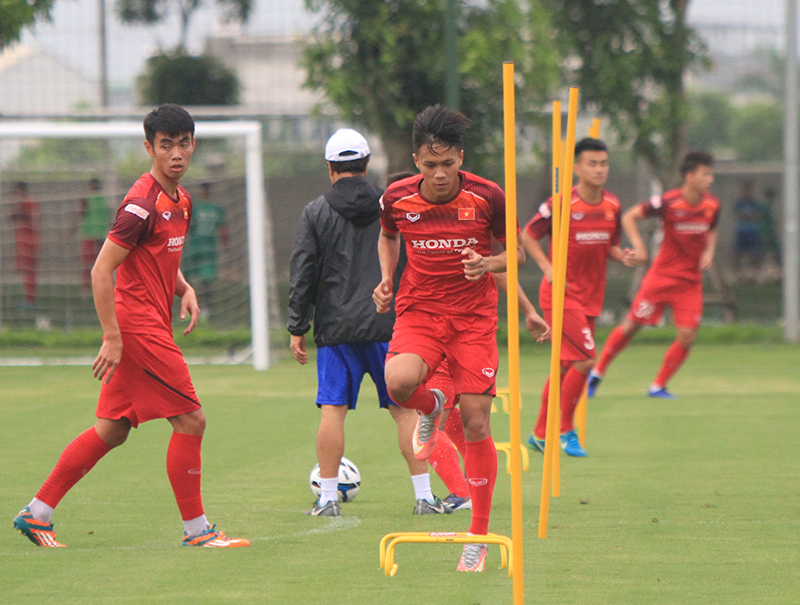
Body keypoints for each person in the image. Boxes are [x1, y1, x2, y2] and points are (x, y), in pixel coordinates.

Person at [13, 105, 250, 548]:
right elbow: (101, 271)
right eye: (166, 145)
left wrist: (184, 289)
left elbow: (159, 257)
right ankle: (197, 531)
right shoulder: (140, 205)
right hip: (138, 328)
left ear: (193, 145)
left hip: (149, 322)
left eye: (184, 144)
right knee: (192, 420)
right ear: (149, 148)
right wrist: (112, 336)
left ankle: (37, 512)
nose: (176, 154)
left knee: (113, 428)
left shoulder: (181, 199)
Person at [374, 105, 521, 572]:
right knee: (397, 382)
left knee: (477, 420)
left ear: (461, 157)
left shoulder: (487, 196)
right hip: (420, 310)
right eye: (429, 165)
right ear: (416, 161)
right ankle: (434, 405)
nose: (439, 175)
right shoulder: (395, 197)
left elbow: (513, 252)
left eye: (448, 164)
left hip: (474, 318)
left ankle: (477, 536)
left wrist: (488, 264)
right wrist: (385, 279)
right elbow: (388, 237)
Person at [288, 129, 450, 518]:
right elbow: (415, 261)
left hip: (335, 330)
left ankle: (327, 499)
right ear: (366, 165)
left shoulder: (315, 212)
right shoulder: (392, 205)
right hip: (390, 326)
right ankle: (424, 496)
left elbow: (303, 272)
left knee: (332, 410)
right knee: (404, 411)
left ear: (330, 168)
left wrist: (298, 326)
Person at [523, 138, 631, 457]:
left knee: (564, 366)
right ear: (577, 167)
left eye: (604, 164)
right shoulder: (561, 204)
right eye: (592, 164)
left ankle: (539, 433)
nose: (599, 169)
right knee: (585, 361)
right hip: (561, 294)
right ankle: (565, 431)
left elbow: (608, 245)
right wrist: (546, 267)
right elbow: (528, 235)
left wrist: (621, 256)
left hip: (591, 297)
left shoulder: (612, 205)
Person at [588, 151, 719, 400]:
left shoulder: (712, 205)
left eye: (711, 174)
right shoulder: (669, 202)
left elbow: (712, 228)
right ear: (689, 176)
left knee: (687, 335)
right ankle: (597, 372)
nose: (710, 179)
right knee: (631, 326)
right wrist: (639, 245)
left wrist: (709, 252)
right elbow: (629, 216)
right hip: (661, 277)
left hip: (690, 282)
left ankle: (658, 386)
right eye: (705, 174)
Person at [183, 182, 228, 319]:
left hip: (196, 247)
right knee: (205, 280)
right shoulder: (216, 208)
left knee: (189, 278)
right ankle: (204, 307)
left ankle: (194, 307)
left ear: (201, 192)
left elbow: (188, 226)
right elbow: (223, 230)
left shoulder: (195, 208)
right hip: (209, 247)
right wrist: (226, 246)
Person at [9, 181, 40, 307]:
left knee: (29, 271)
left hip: (28, 241)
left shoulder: (27, 203)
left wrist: (15, 204)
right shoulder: (26, 203)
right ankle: (29, 298)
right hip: (25, 240)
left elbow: (13, 216)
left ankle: (30, 300)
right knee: (26, 271)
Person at [78, 178, 110, 296]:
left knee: (87, 264)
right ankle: (100, 290)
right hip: (101, 235)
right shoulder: (104, 199)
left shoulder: (86, 198)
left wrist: (71, 230)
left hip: (89, 234)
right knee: (101, 265)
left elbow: (80, 213)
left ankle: (86, 290)